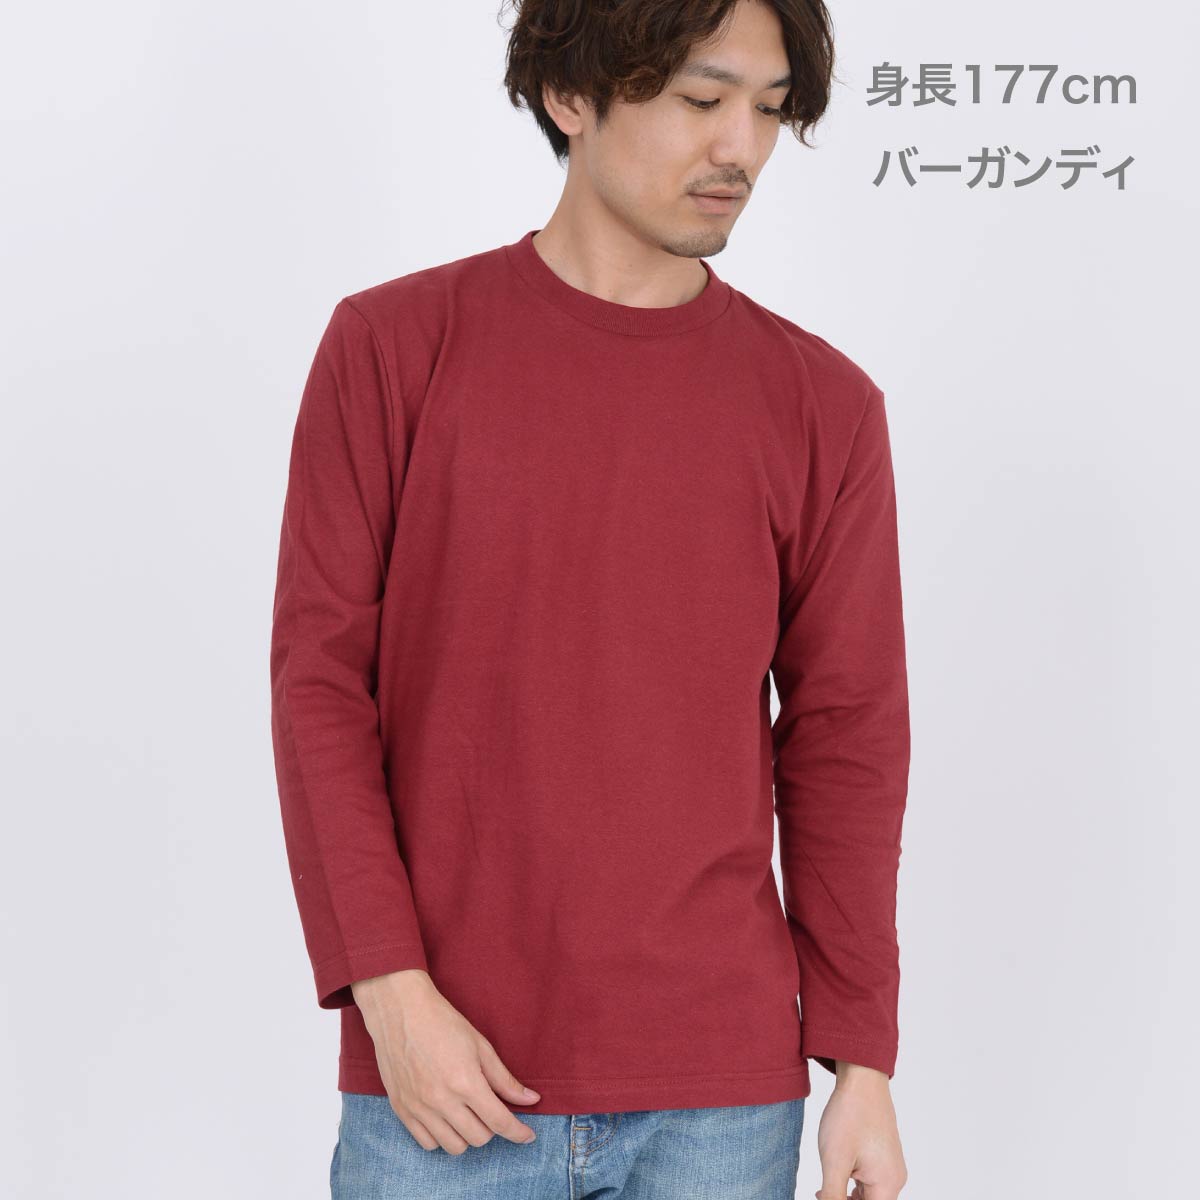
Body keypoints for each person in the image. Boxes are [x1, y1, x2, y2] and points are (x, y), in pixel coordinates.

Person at [269, 1, 911, 1196]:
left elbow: (847, 741)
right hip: (442, 1083)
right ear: (571, 96)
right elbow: (319, 690)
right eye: (702, 98)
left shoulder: (823, 407)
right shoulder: (393, 348)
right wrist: (389, 993)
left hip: (722, 1100)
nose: (740, 148)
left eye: (771, 110)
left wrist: (861, 1059)